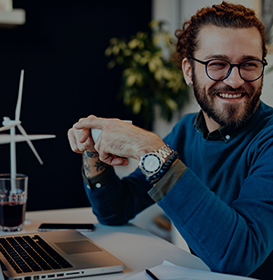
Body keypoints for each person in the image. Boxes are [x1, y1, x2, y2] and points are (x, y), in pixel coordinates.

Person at [67, 2, 273, 279]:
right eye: (217, 64)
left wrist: (152, 150)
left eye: (249, 64)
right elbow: (116, 210)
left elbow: (238, 257)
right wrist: (92, 149)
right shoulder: (186, 131)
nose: (235, 80)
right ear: (189, 71)